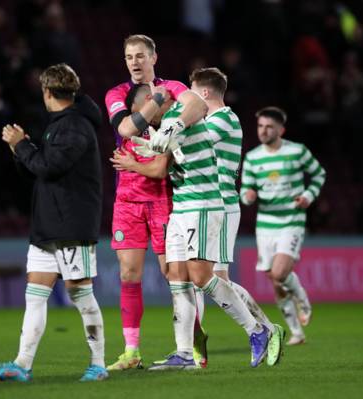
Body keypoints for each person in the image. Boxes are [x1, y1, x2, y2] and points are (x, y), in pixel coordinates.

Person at [113, 87, 271, 370]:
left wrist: (143, 149)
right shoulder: (166, 123)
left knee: (201, 277)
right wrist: (149, 144)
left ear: (153, 102)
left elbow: (166, 141)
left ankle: (257, 330)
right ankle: (184, 353)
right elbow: (165, 148)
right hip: (182, 206)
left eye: (145, 115)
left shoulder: (179, 115)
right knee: (178, 278)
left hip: (203, 202)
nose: (146, 122)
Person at [0, 63, 107, 382]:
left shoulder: (75, 126)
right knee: (34, 295)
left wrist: (23, 145)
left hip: (71, 225)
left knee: (80, 294)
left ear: (48, 92)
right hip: (49, 225)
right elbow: (40, 168)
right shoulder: (61, 125)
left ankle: (98, 364)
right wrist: (19, 148)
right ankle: (21, 365)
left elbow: (50, 167)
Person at [104, 34, 209, 371]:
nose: (134, 62)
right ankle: (131, 351)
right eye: (128, 57)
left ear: (153, 57)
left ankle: (194, 343)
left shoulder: (175, 86)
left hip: (164, 196)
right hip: (127, 200)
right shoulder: (117, 94)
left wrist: (175, 117)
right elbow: (123, 128)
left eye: (140, 56)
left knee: (172, 274)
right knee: (128, 273)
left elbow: (199, 105)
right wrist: (158, 100)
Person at [189, 67, 284, 365]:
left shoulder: (223, 120)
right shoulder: (216, 120)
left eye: (192, 91)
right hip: (214, 204)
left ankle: (264, 329)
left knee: (212, 278)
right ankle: (266, 329)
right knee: (213, 278)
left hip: (222, 204)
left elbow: (194, 144)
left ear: (204, 93)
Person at [240, 107, 326, 345]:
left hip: (291, 219)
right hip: (266, 223)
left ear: (281, 129)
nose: (263, 131)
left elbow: (319, 174)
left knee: (279, 273)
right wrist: (247, 196)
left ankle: (303, 299)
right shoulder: (253, 157)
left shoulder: (297, 151)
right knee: (276, 280)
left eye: (269, 126)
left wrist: (308, 195)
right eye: (260, 126)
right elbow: (245, 192)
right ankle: (296, 332)